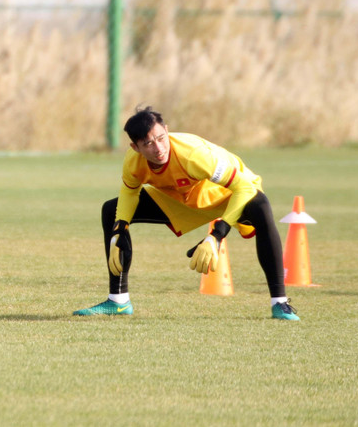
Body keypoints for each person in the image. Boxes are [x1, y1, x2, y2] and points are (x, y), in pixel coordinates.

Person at [73, 106, 300, 321]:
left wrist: (217, 235)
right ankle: (118, 301)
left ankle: (279, 303)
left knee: (260, 205)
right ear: (135, 148)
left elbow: (243, 187)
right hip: (183, 198)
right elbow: (129, 193)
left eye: (161, 138)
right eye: (148, 143)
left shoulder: (193, 155)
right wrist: (120, 228)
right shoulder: (133, 162)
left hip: (226, 194)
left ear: (167, 131)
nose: (159, 148)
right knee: (111, 211)